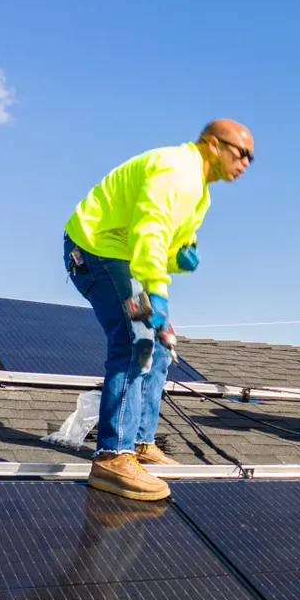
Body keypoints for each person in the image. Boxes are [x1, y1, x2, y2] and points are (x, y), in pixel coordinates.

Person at [62, 119, 254, 500]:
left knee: (158, 348)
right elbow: (148, 239)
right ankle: (113, 456)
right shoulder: (176, 171)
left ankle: (138, 444)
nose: (247, 162)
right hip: (96, 250)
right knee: (136, 343)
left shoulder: (200, 192)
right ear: (213, 146)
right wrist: (159, 306)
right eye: (242, 153)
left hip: (123, 258)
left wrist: (182, 258)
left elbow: (163, 248)